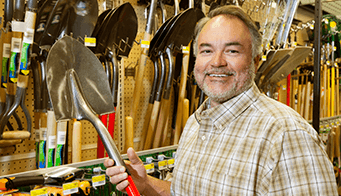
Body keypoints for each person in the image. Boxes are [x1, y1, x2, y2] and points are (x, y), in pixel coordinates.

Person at [105, 5, 338, 195]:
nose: (216, 62)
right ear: (196, 60)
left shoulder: (286, 135)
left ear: (256, 62)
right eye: (206, 51)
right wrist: (146, 184)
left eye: (232, 51)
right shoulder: (196, 124)